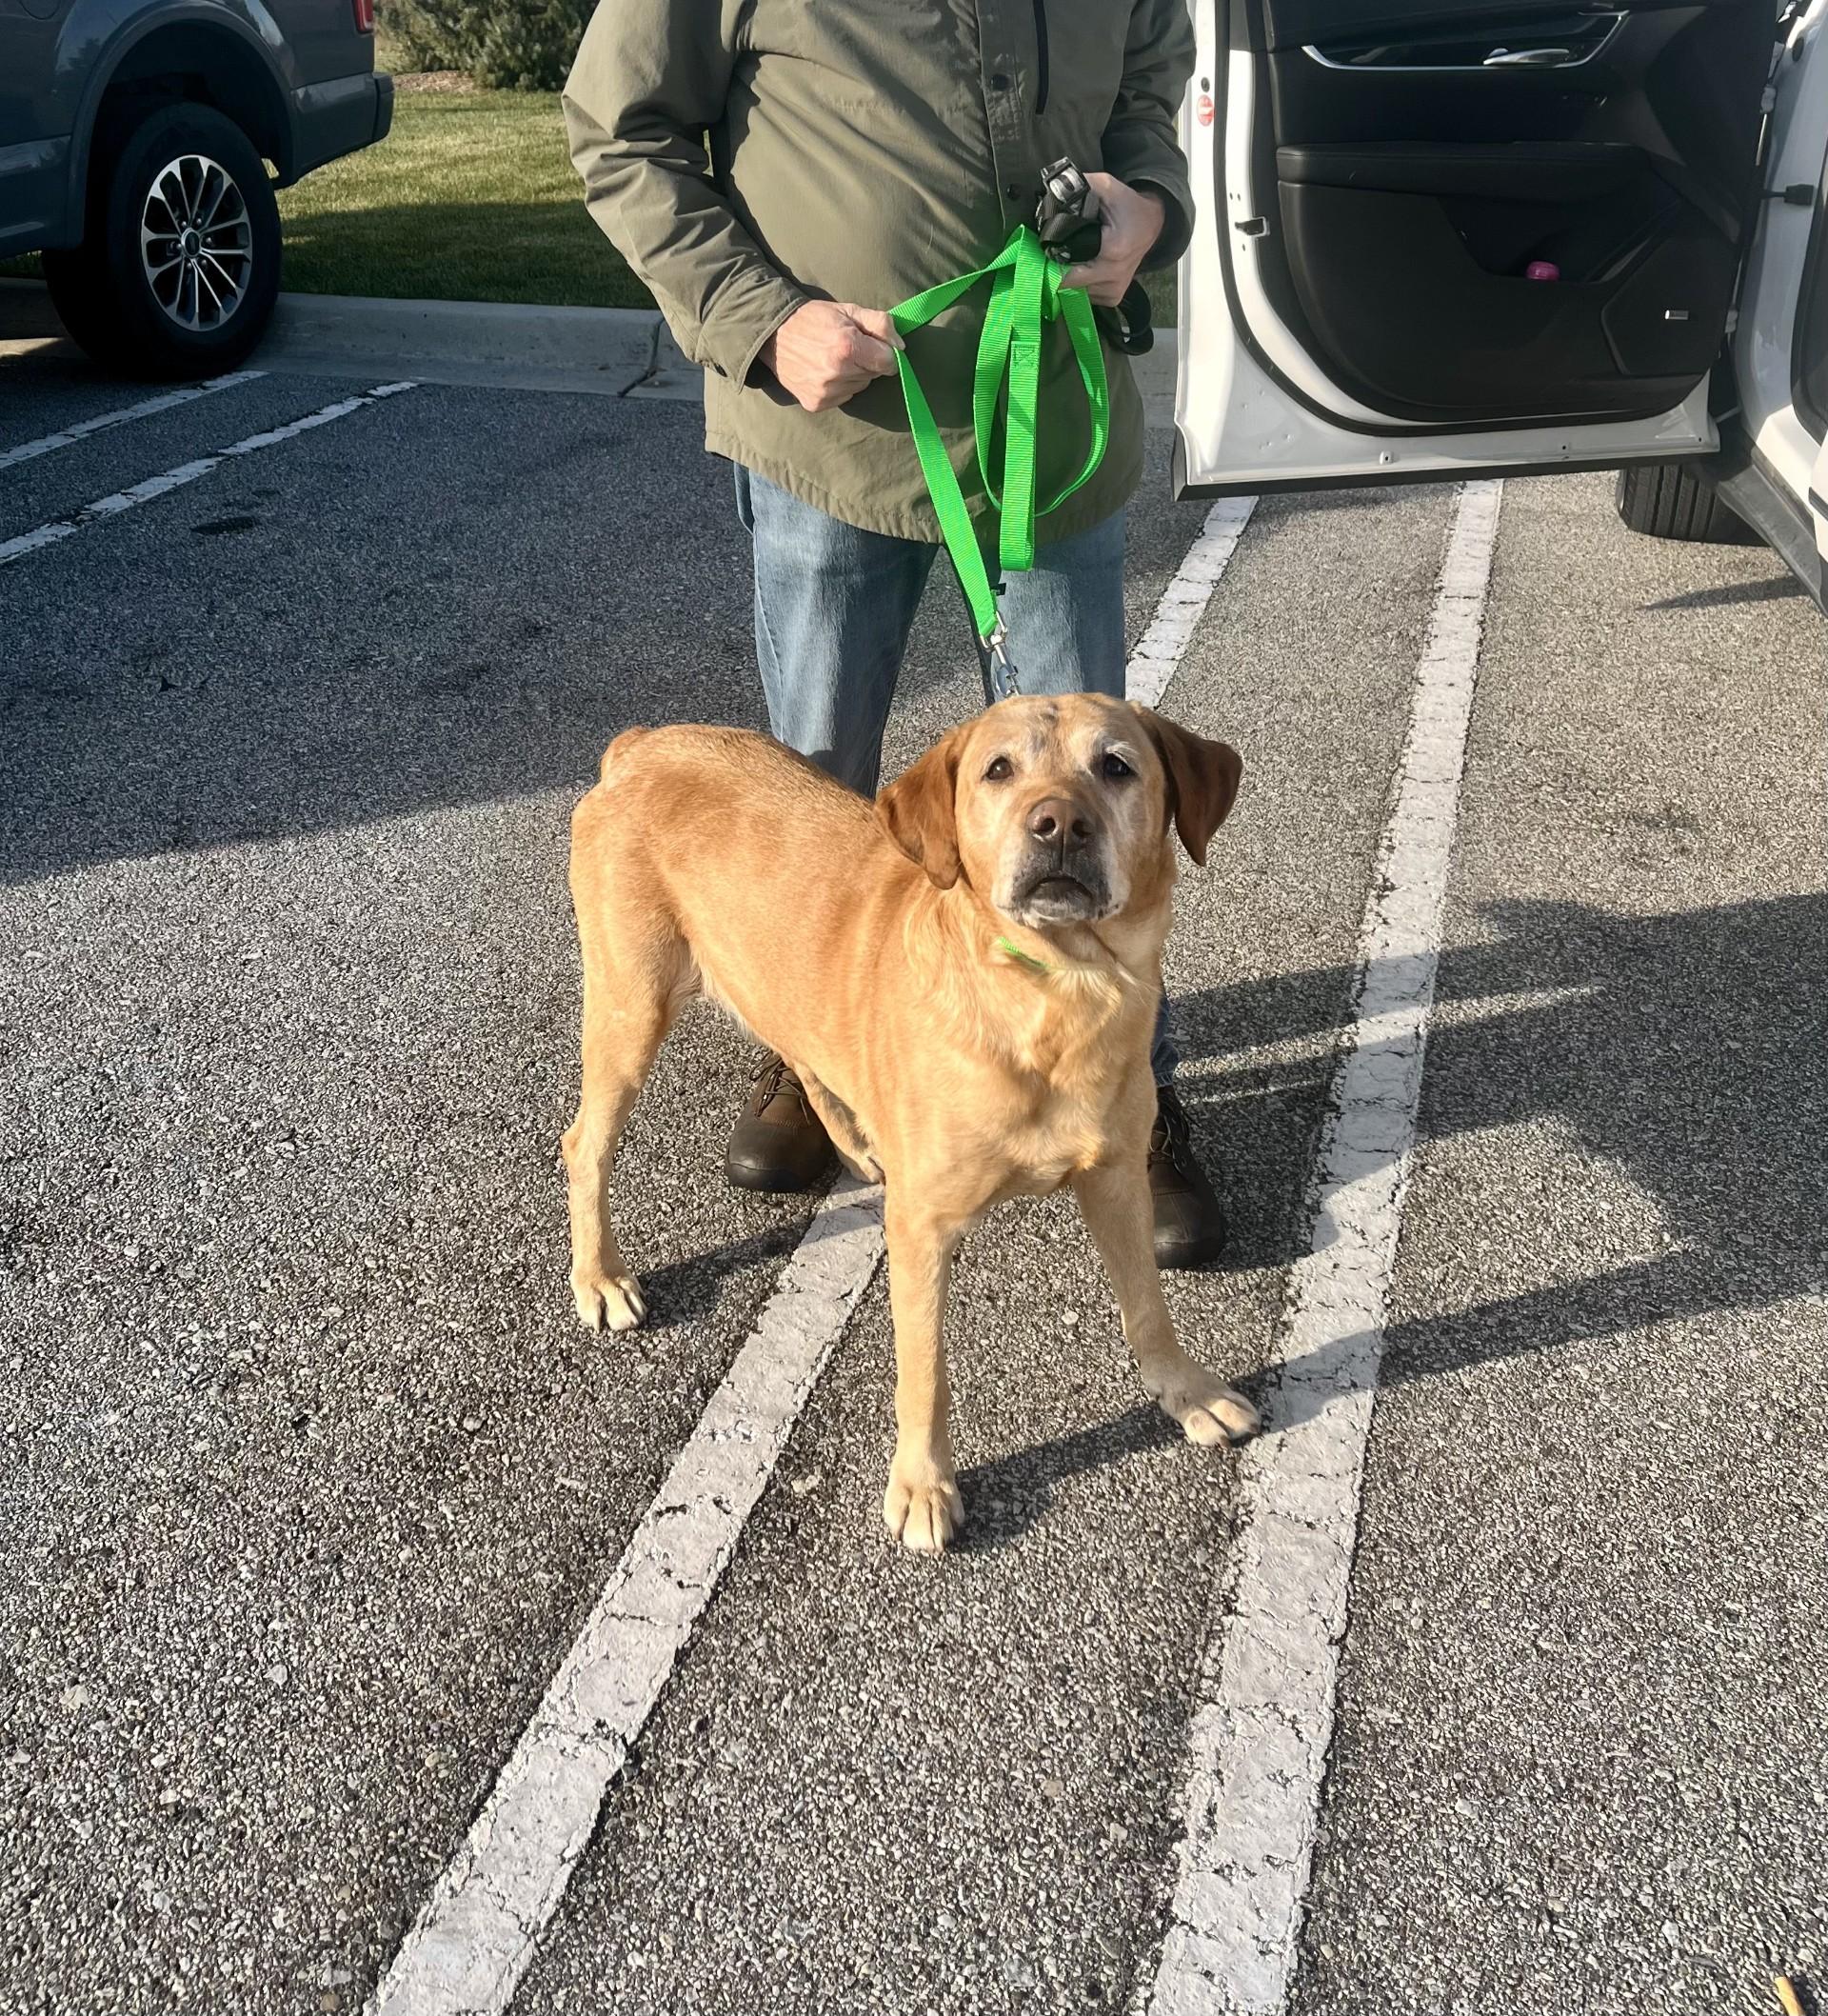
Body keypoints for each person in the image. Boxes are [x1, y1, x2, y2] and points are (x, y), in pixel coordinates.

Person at [563, 0, 1227, 1267]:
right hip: (836, 441)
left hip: (1055, 433)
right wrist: (760, 316)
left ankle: (1133, 1103)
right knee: (812, 791)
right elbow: (617, 124)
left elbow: (1150, 66)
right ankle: (819, 1054)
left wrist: (1147, 200)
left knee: (1091, 801)